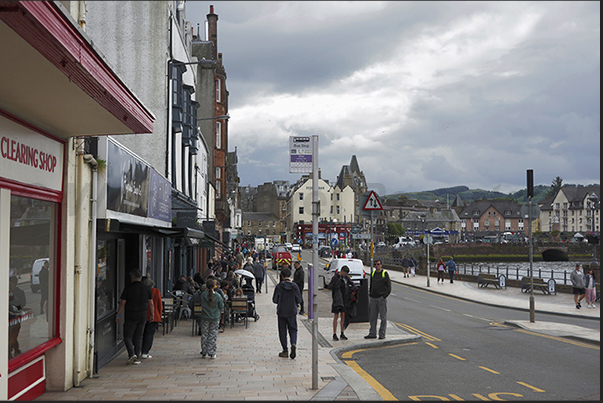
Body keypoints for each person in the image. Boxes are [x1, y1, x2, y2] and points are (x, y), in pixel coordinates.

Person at [116, 270, 154, 365]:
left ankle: (131, 354)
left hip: (131, 315)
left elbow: (122, 303)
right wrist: (152, 315)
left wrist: (118, 314)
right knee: (139, 336)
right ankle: (136, 357)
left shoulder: (128, 288)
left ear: (132, 277)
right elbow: (151, 303)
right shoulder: (146, 288)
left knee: (127, 336)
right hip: (143, 315)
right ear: (140, 277)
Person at [272, 267, 302, 359]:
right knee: (293, 330)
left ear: (281, 275)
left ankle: (285, 350)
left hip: (281, 311)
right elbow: (299, 299)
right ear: (290, 275)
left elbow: (275, 300)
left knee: (282, 331)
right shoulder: (294, 286)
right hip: (292, 311)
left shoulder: (279, 286)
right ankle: (293, 343)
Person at [198, 278, 224, 359]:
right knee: (213, 334)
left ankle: (204, 351)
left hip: (205, 317)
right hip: (215, 317)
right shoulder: (218, 296)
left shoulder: (203, 295)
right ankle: (212, 352)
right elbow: (221, 306)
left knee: (204, 334)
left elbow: (201, 303)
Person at [365, 259, 391, 340]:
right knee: (372, 317)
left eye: (378, 264)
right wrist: (370, 294)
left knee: (383, 317)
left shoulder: (384, 274)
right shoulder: (373, 273)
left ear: (381, 265)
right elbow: (371, 285)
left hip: (381, 299)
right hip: (373, 298)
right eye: (375, 264)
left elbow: (389, 287)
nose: (376, 266)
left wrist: (384, 296)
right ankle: (372, 333)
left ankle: (382, 334)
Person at [328, 266, 356, 341]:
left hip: (344, 299)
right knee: (336, 316)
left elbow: (352, 284)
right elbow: (330, 286)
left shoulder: (346, 278)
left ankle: (342, 332)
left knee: (343, 316)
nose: (345, 275)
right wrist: (338, 281)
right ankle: (334, 333)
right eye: (345, 273)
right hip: (337, 300)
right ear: (342, 271)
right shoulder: (335, 277)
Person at [140, 276, 162, 359]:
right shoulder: (156, 291)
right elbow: (159, 305)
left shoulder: (141, 291)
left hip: (142, 314)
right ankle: (145, 352)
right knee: (149, 334)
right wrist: (159, 315)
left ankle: (139, 349)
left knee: (141, 333)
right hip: (153, 316)